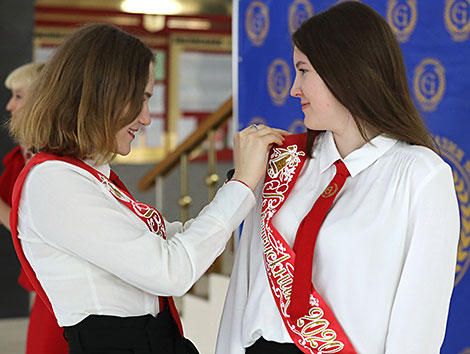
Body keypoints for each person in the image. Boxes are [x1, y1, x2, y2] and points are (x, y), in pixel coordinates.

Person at [9, 23, 287, 354]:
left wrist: (241, 187)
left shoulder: (86, 173)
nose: (146, 118)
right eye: (139, 99)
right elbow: (172, 270)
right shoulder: (54, 181)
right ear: (101, 94)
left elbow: (166, 242)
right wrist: (241, 184)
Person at [216, 2, 460, 354]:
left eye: (304, 71)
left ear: (345, 72)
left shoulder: (420, 175)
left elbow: (419, 323)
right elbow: (244, 289)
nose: (293, 89)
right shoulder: (283, 164)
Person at [1, 62, 69, 354]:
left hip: (63, 282)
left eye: (18, 95)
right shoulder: (26, 155)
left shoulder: (54, 160)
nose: (9, 105)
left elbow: (30, 226)